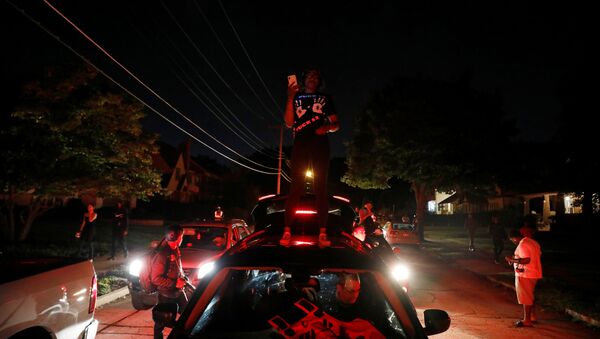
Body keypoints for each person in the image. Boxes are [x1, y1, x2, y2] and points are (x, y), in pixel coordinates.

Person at [282, 68, 340, 246]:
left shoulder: (325, 98)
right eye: (309, 76)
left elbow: (336, 123)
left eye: (316, 76)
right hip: (300, 144)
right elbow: (289, 122)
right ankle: (287, 231)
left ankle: (322, 232)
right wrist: (291, 97)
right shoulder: (296, 97)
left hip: (320, 144)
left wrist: (327, 128)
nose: (312, 79)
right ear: (303, 80)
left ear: (319, 81)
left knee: (320, 187)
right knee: (295, 187)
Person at [151, 224, 188, 339]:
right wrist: (174, 283)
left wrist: (183, 277)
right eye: (181, 236)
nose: (182, 239)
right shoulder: (162, 254)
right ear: (175, 237)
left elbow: (177, 267)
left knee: (189, 314)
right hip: (166, 294)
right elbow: (155, 278)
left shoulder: (175, 249)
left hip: (178, 292)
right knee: (161, 322)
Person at [505, 227, 542, 328]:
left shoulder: (522, 245)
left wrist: (512, 260)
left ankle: (527, 320)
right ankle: (532, 316)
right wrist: (515, 258)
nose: (513, 242)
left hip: (525, 274)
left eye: (512, 240)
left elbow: (526, 260)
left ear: (514, 238)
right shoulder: (533, 242)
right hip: (534, 273)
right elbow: (534, 256)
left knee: (526, 298)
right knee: (530, 296)